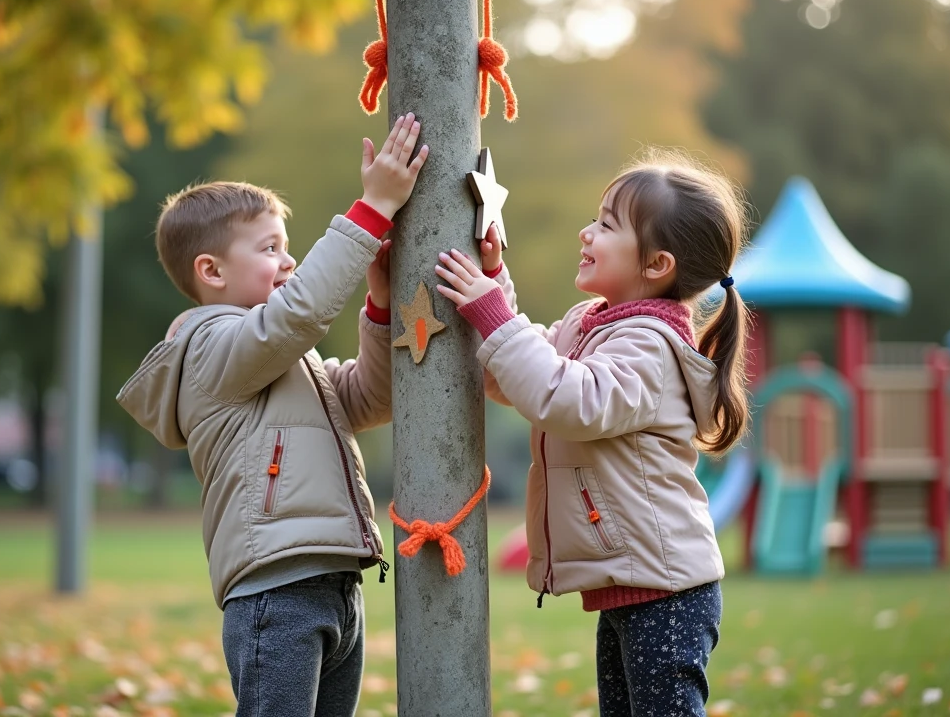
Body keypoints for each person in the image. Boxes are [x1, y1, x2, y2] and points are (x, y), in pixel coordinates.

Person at [117, 115, 429, 717]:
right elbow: (298, 314)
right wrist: (374, 208)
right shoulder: (213, 348)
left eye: (288, 248)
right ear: (211, 271)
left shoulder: (286, 360)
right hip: (274, 589)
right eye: (270, 249)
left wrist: (383, 304)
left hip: (335, 582)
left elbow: (370, 398)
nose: (288, 262)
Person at [434, 150, 749, 716]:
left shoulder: (650, 344)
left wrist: (494, 318)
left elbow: (568, 400)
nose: (587, 231)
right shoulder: (591, 324)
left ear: (656, 265)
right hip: (631, 584)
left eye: (606, 224)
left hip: (669, 593)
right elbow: (521, 378)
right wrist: (494, 289)